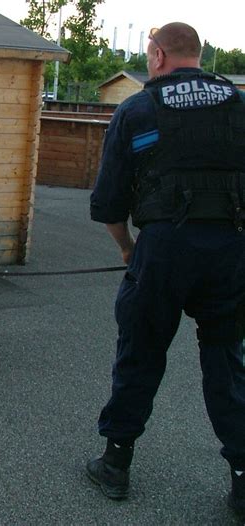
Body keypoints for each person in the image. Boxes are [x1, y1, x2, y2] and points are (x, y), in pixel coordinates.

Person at [88, 22, 245, 518]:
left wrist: (128, 249)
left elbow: (110, 201)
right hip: (231, 248)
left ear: (155, 56)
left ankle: (115, 464)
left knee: (141, 350)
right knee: (227, 361)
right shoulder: (239, 106)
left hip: (163, 249)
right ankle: (243, 483)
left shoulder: (137, 108)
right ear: (198, 55)